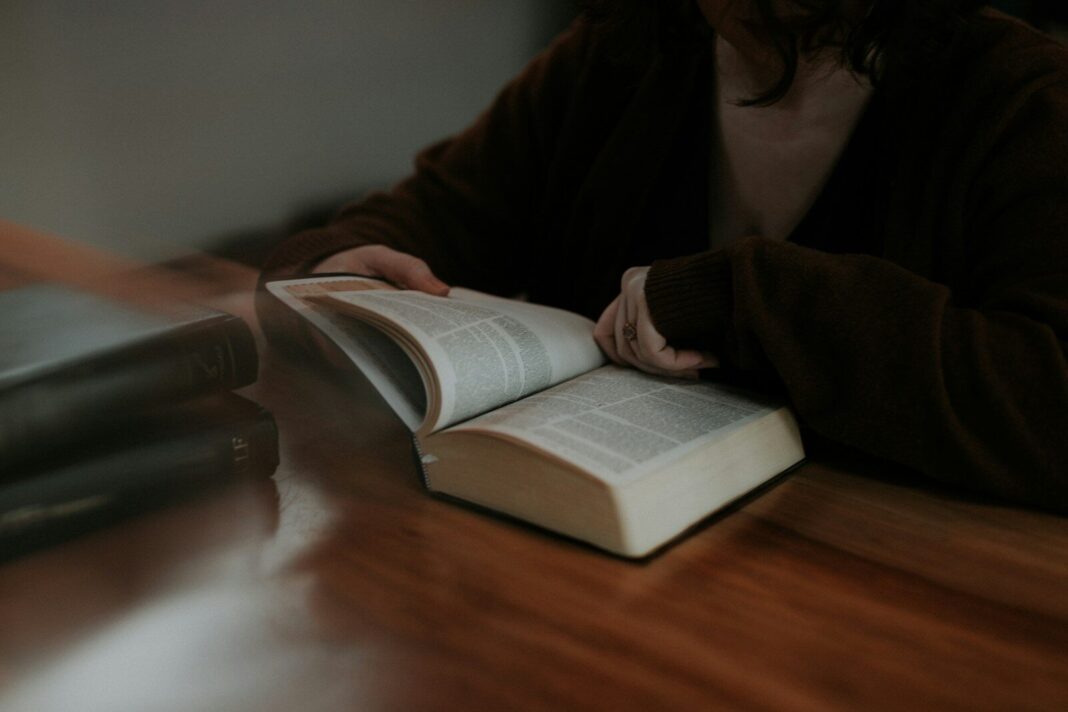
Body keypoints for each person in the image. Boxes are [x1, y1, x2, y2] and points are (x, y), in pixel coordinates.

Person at [260, 0, 1068, 512]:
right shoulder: (619, 53)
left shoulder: (1020, 95)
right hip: (582, 583)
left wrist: (751, 296)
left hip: (896, 610)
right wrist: (332, 266)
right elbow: (418, 220)